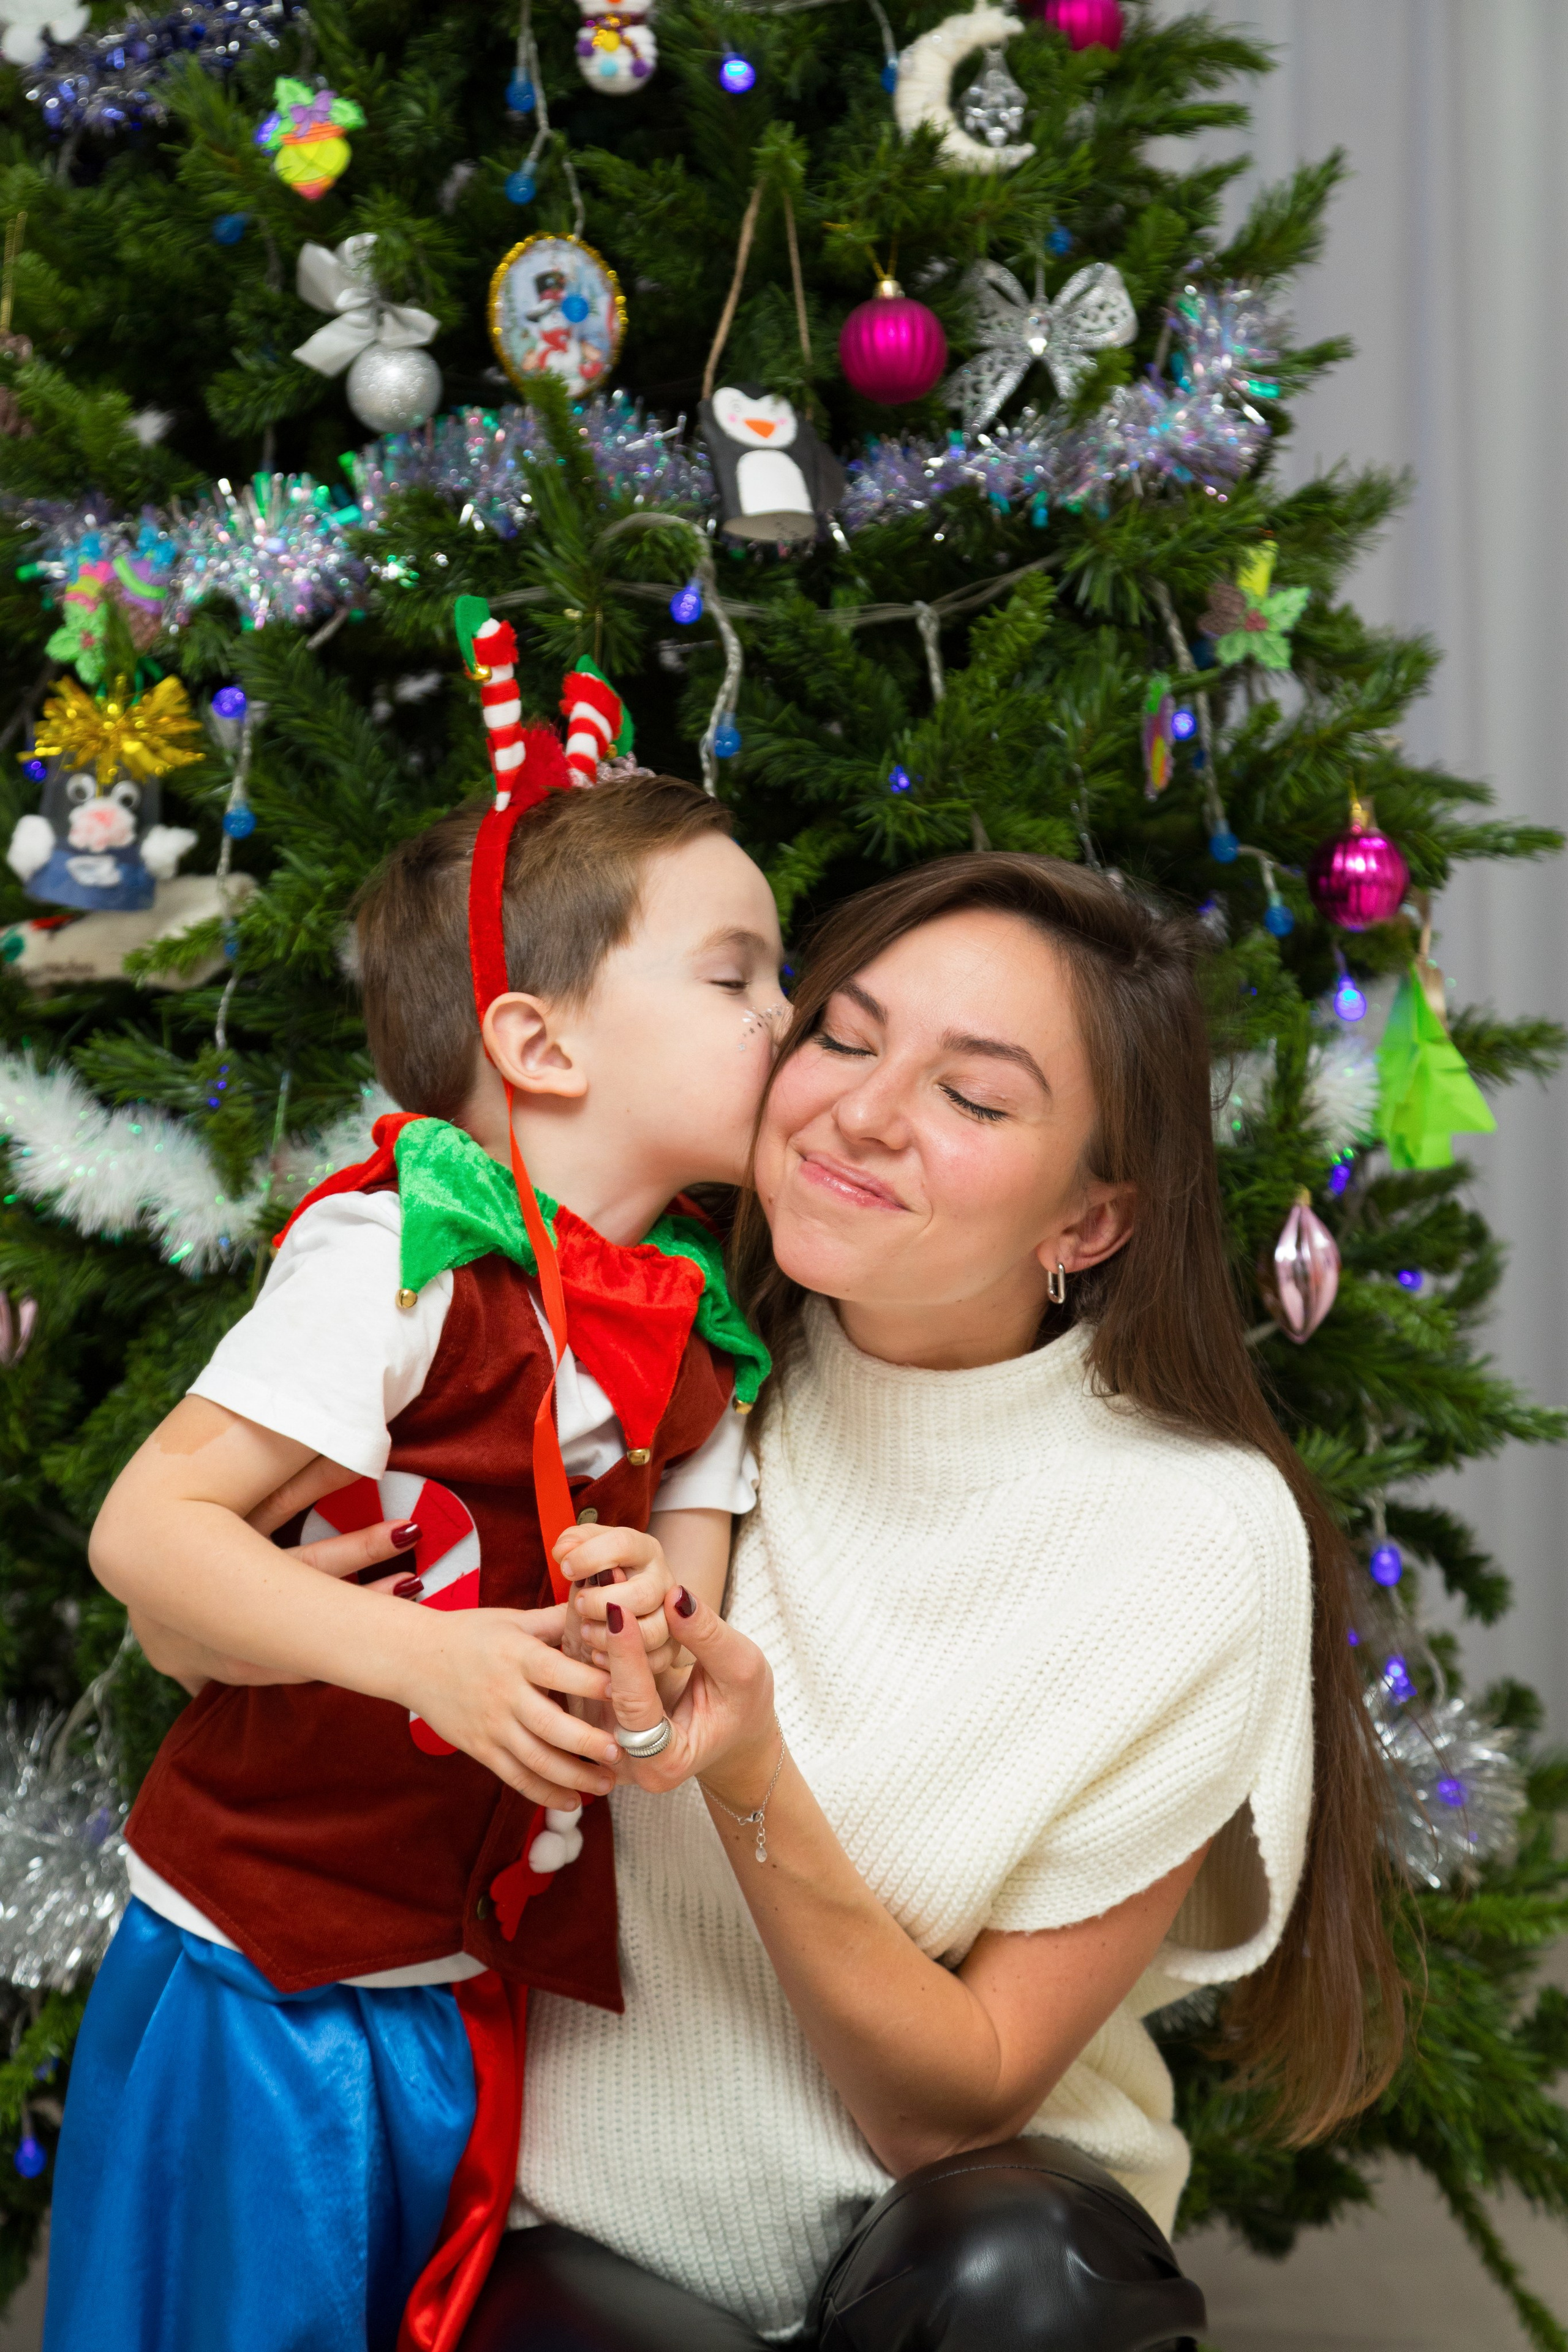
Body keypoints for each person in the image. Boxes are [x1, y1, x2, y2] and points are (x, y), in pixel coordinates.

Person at [462, 852, 1402, 2351]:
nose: (861, 1111)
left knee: (1006, 2274)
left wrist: (748, 1773)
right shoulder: (606, 1364)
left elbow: (941, 2111)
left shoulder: (1193, 1535)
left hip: (970, 2249)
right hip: (582, 2239)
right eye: (840, 1035)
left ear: (1087, 1224)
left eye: (972, 1099)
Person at [48, 743, 786, 2352]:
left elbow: (673, 1676)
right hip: (263, 1961)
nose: (786, 1018)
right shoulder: (396, 1256)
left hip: (464, 1979)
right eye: (736, 974)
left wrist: (646, 1657)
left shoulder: (700, 1341)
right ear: (539, 1040)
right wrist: (424, 1655)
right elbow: (145, 1529)